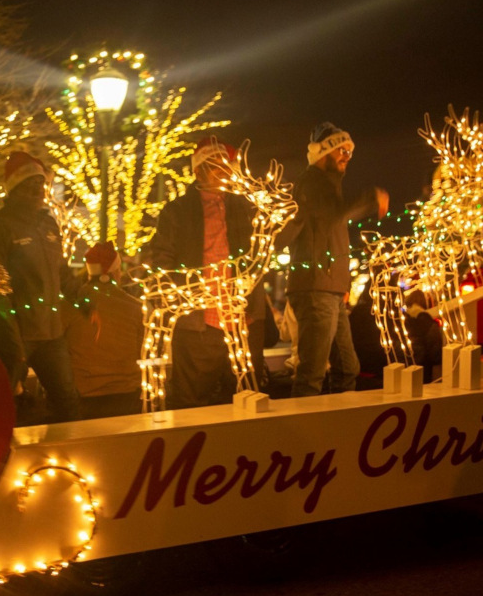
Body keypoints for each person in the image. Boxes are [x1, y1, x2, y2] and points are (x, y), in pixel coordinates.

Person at [147, 138, 267, 409]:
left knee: (245, 399)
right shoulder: (177, 210)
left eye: (226, 165)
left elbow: (263, 251)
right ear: (198, 171)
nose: (223, 170)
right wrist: (185, 294)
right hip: (198, 325)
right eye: (215, 165)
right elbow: (161, 258)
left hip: (242, 321)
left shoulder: (245, 207)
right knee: (191, 402)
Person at [280, 123, 388, 397]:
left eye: (349, 152)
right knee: (312, 373)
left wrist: (344, 283)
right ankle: (302, 433)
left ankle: (338, 428)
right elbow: (331, 214)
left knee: (347, 368)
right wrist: (369, 200)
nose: (346, 157)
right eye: (341, 150)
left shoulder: (329, 187)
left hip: (331, 289)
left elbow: (333, 226)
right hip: (316, 289)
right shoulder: (311, 184)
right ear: (321, 153)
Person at [0, 150, 81, 424]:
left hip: (51, 333)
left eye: (40, 184)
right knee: (3, 405)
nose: (38, 190)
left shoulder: (49, 224)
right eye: (30, 184)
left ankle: (61, 459)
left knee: (67, 400)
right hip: (16, 335)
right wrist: (12, 340)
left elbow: (61, 272)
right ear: (15, 188)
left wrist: (86, 300)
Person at [66, 241, 144, 419]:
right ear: (116, 272)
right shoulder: (135, 307)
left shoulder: (70, 306)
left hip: (85, 397)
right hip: (128, 396)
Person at [402, 288, 445, 384]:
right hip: (424, 367)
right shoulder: (428, 321)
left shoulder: (402, 320)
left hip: (404, 364)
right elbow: (435, 347)